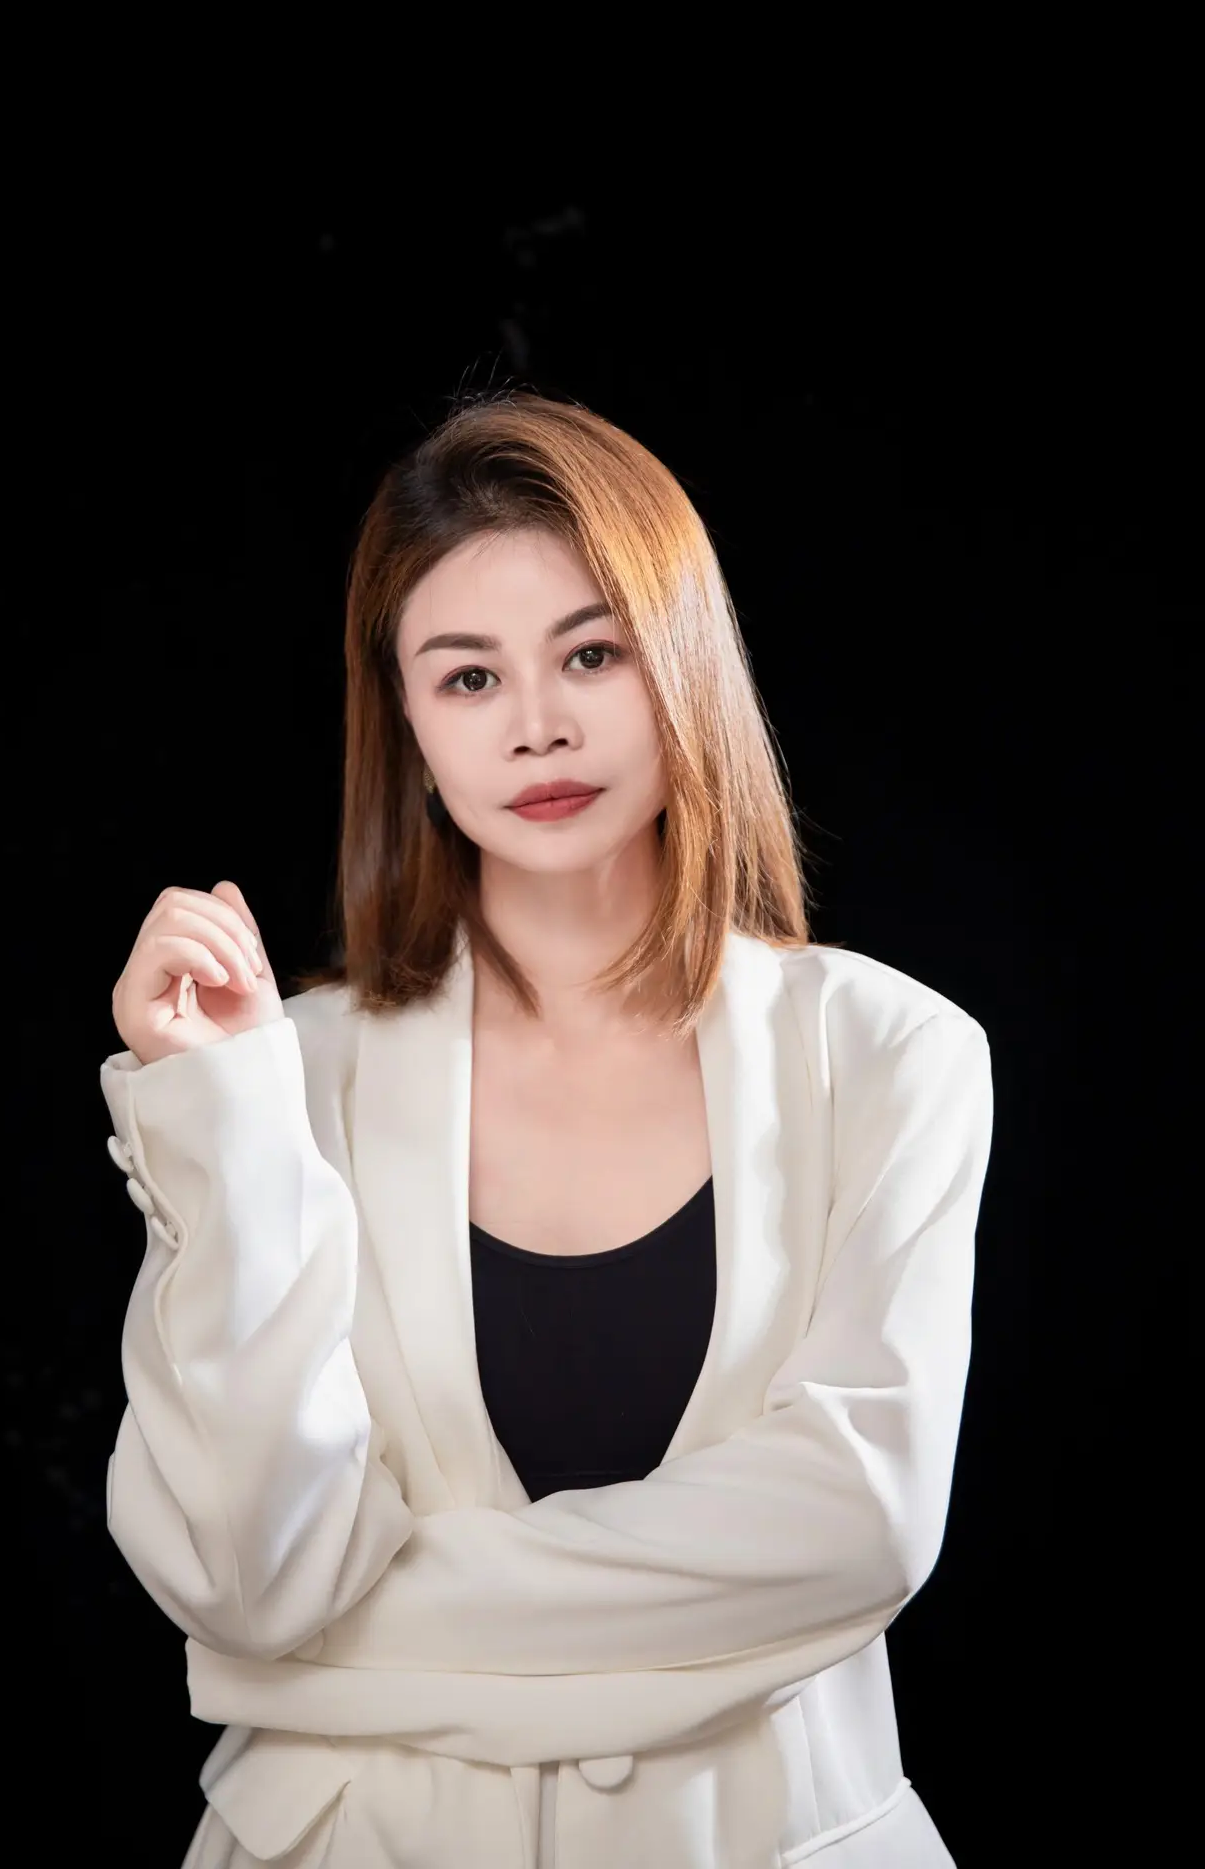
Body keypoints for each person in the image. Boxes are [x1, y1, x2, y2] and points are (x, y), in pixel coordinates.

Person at [102, 392, 994, 1868]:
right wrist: (225, 1125)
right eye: (469, 677)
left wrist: (337, 1649)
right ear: (406, 723)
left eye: (592, 652)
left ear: (684, 663)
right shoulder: (279, 1075)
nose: (539, 725)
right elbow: (243, 1577)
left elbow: (863, 1525)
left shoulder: (891, 1054)